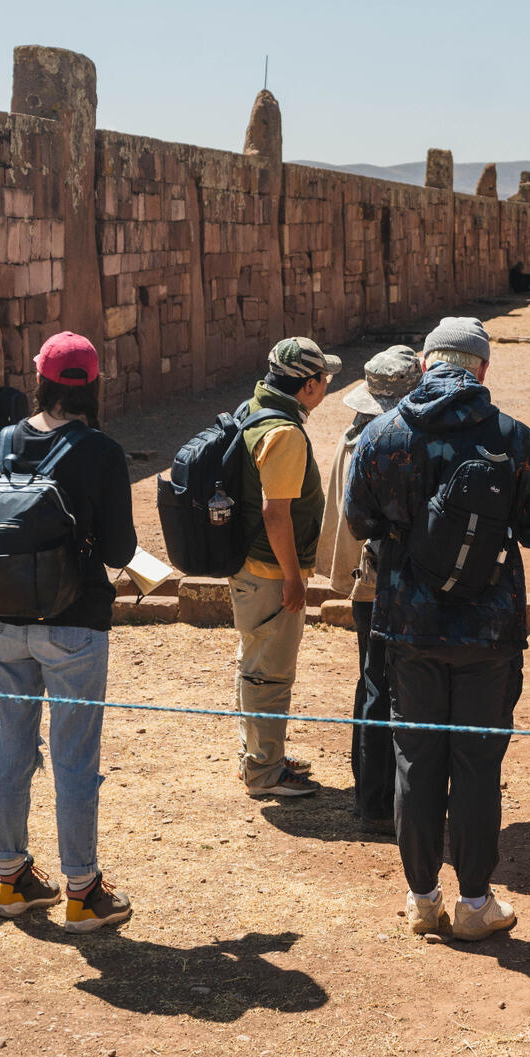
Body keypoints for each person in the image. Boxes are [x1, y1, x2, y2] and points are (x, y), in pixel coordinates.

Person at [345, 317, 530, 940]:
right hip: (488, 633)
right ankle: (473, 902)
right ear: (482, 369)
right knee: (476, 763)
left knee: (415, 757)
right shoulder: (513, 439)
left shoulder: (383, 434)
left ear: (427, 363)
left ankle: (421, 897)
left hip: (409, 627)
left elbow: (359, 522)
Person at [0, 332, 139, 932]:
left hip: (3, 618)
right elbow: (121, 549)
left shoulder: (1, 442)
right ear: (94, 386)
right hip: (73, 622)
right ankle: (81, 891)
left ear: (39, 379)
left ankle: (12, 878)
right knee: (75, 760)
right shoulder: (100, 451)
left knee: (10, 752)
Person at [316, 344, 420, 832]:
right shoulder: (385, 442)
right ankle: (378, 802)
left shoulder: (351, 434)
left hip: (363, 583)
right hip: (383, 581)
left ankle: (368, 794)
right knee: (387, 688)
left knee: (370, 683)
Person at [232, 337, 341, 799]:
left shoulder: (253, 408)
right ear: (309, 385)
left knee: (256, 665)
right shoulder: (285, 434)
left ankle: (262, 755)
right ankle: (265, 772)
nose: (327, 386)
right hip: (270, 573)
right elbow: (276, 514)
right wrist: (294, 578)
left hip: (250, 565)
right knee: (270, 674)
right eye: (325, 379)